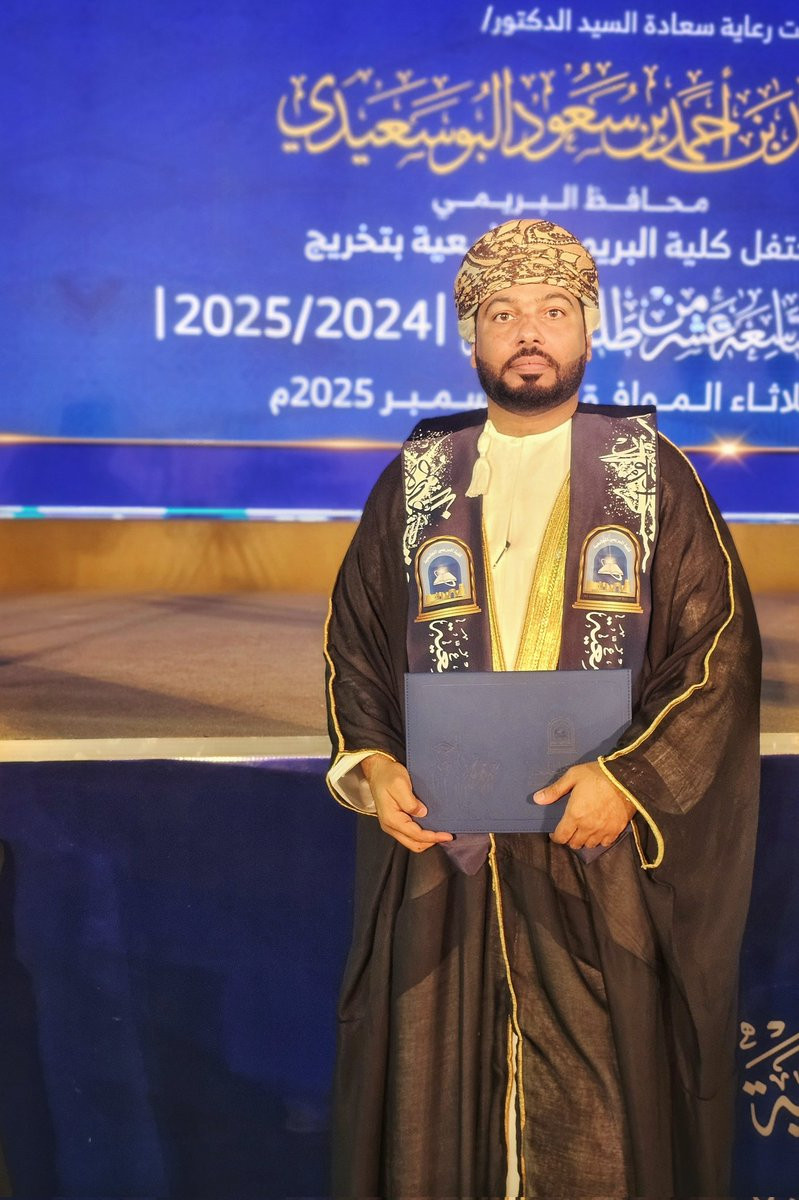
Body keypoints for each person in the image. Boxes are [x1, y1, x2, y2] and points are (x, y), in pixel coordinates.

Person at [323, 219, 761, 1198]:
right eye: (502, 314)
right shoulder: (416, 481)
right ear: (470, 339)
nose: (529, 332)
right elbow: (357, 644)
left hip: (594, 853)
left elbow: (717, 653)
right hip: (446, 854)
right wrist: (373, 766)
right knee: (436, 1107)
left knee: (602, 1115)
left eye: (553, 311)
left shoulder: (650, 475)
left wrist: (629, 781)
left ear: (588, 331)